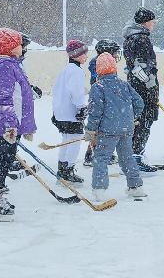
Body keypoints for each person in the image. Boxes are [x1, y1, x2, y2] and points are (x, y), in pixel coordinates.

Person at [0, 27, 37, 220]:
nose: (21, 47)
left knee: (6, 159)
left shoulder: (13, 65)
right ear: (9, 47)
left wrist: (25, 125)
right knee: (3, 159)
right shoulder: (5, 67)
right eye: (18, 44)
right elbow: (4, 98)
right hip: (9, 126)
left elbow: (22, 96)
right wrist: (10, 126)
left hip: (15, 124)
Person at [85, 52, 148, 202]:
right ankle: (136, 187)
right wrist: (132, 118)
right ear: (114, 68)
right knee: (127, 158)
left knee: (101, 158)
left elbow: (95, 111)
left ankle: (99, 190)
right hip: (126, 129)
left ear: (98, 70)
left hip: (107, 131)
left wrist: (91, 130)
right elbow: (139, 103)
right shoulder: (124, 84)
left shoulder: (98, 87)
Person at [123, 8, 164, 173]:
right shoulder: (141, 39)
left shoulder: (131, 38)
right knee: (144, 121)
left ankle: (135, 156)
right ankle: (136, 157)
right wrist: (150, 87)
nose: (153, 25)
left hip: (136, 86)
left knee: (138, 120)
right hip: (143, 88)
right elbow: (141, 66)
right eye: (152, 21)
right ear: (145, 22)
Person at [50, 39, 91, 184]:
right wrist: (81, 107)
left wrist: (56, 111)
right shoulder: (76, 71)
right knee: (75, 141)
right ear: (76, 55)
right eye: (84, 53)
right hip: (71, 113)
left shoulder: (65, 70)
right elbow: (76, 92)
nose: (86, 55)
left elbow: (56, 90)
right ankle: (68, 170)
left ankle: (62, 168)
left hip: (61, 113)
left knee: (66, 140)